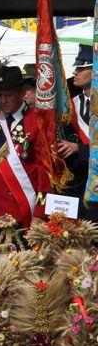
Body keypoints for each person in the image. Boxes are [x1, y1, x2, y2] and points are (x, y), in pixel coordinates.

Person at [0, 65, 49, 227]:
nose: (2, 101)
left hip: (24, 211)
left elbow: (44, 172)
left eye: (8, 95)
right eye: (0, 95)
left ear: (22, 93)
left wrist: (40, 213)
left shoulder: (37, 121)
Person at [58, 45, 98, 221]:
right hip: (76, 185)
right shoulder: (70, 104)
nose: (75, 71)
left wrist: (79, 149)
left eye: (82, 67)